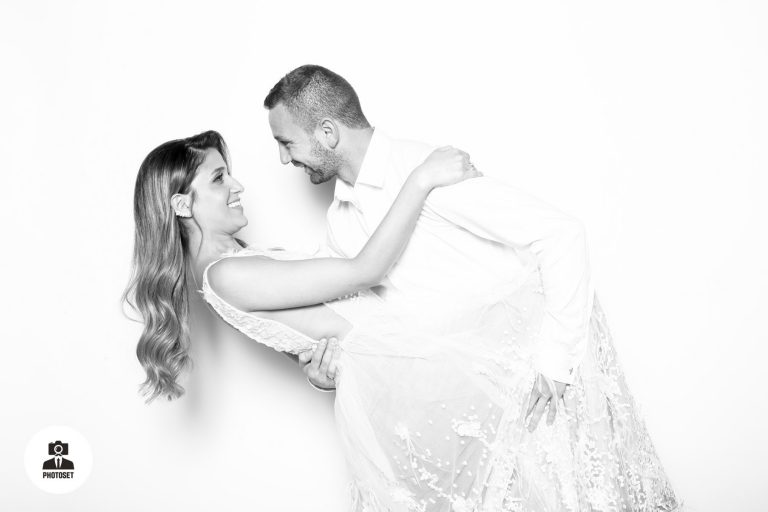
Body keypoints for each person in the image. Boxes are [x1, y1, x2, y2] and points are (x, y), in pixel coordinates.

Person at [262, 65, 682, 511]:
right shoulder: (340, 221)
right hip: (473, 426)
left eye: (286, 143)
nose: (284, 160)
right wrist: (329, 373)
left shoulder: (429, 172)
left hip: (540, 399)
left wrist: (556, 363)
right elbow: (368, 328)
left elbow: (561, 234)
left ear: (328, 132)